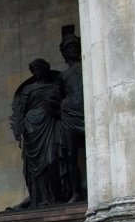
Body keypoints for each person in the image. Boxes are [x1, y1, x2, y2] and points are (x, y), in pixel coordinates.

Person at [9, 58, 63, 209]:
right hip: (32, 128)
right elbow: (19, 111)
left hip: (49, 124)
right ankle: (37, 200)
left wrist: (55, 109)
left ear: (46, 69)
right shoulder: (28, 90)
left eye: (39, 69)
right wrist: (18, 130)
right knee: (33, 168)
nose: (37, 72)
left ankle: (53, 198)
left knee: (52, 160)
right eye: (34, 70)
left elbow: (61, 108)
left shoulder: (54, 88)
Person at [56, 25, 85, 203]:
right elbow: (57, 98)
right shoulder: (62, 76)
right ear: (64, 53)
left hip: (84, 112)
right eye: (69, 48)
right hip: (68, 116)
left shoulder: (86, 66)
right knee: (70, 155)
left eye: (75, 47)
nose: (72, 50)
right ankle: (75, 193)